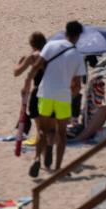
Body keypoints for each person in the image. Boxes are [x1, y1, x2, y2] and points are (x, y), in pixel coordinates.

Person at [28, 21, 86, 176]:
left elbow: (37, 66)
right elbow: (77, 85)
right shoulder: (78, 55)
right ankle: (58, 168)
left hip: (45, 92)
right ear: (78, 36)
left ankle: (36, 159)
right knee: (61, 133)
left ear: (65, 31)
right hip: (62, 96)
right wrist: (71, 96)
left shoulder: (50, 45)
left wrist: (27, 84)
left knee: (42, 130)